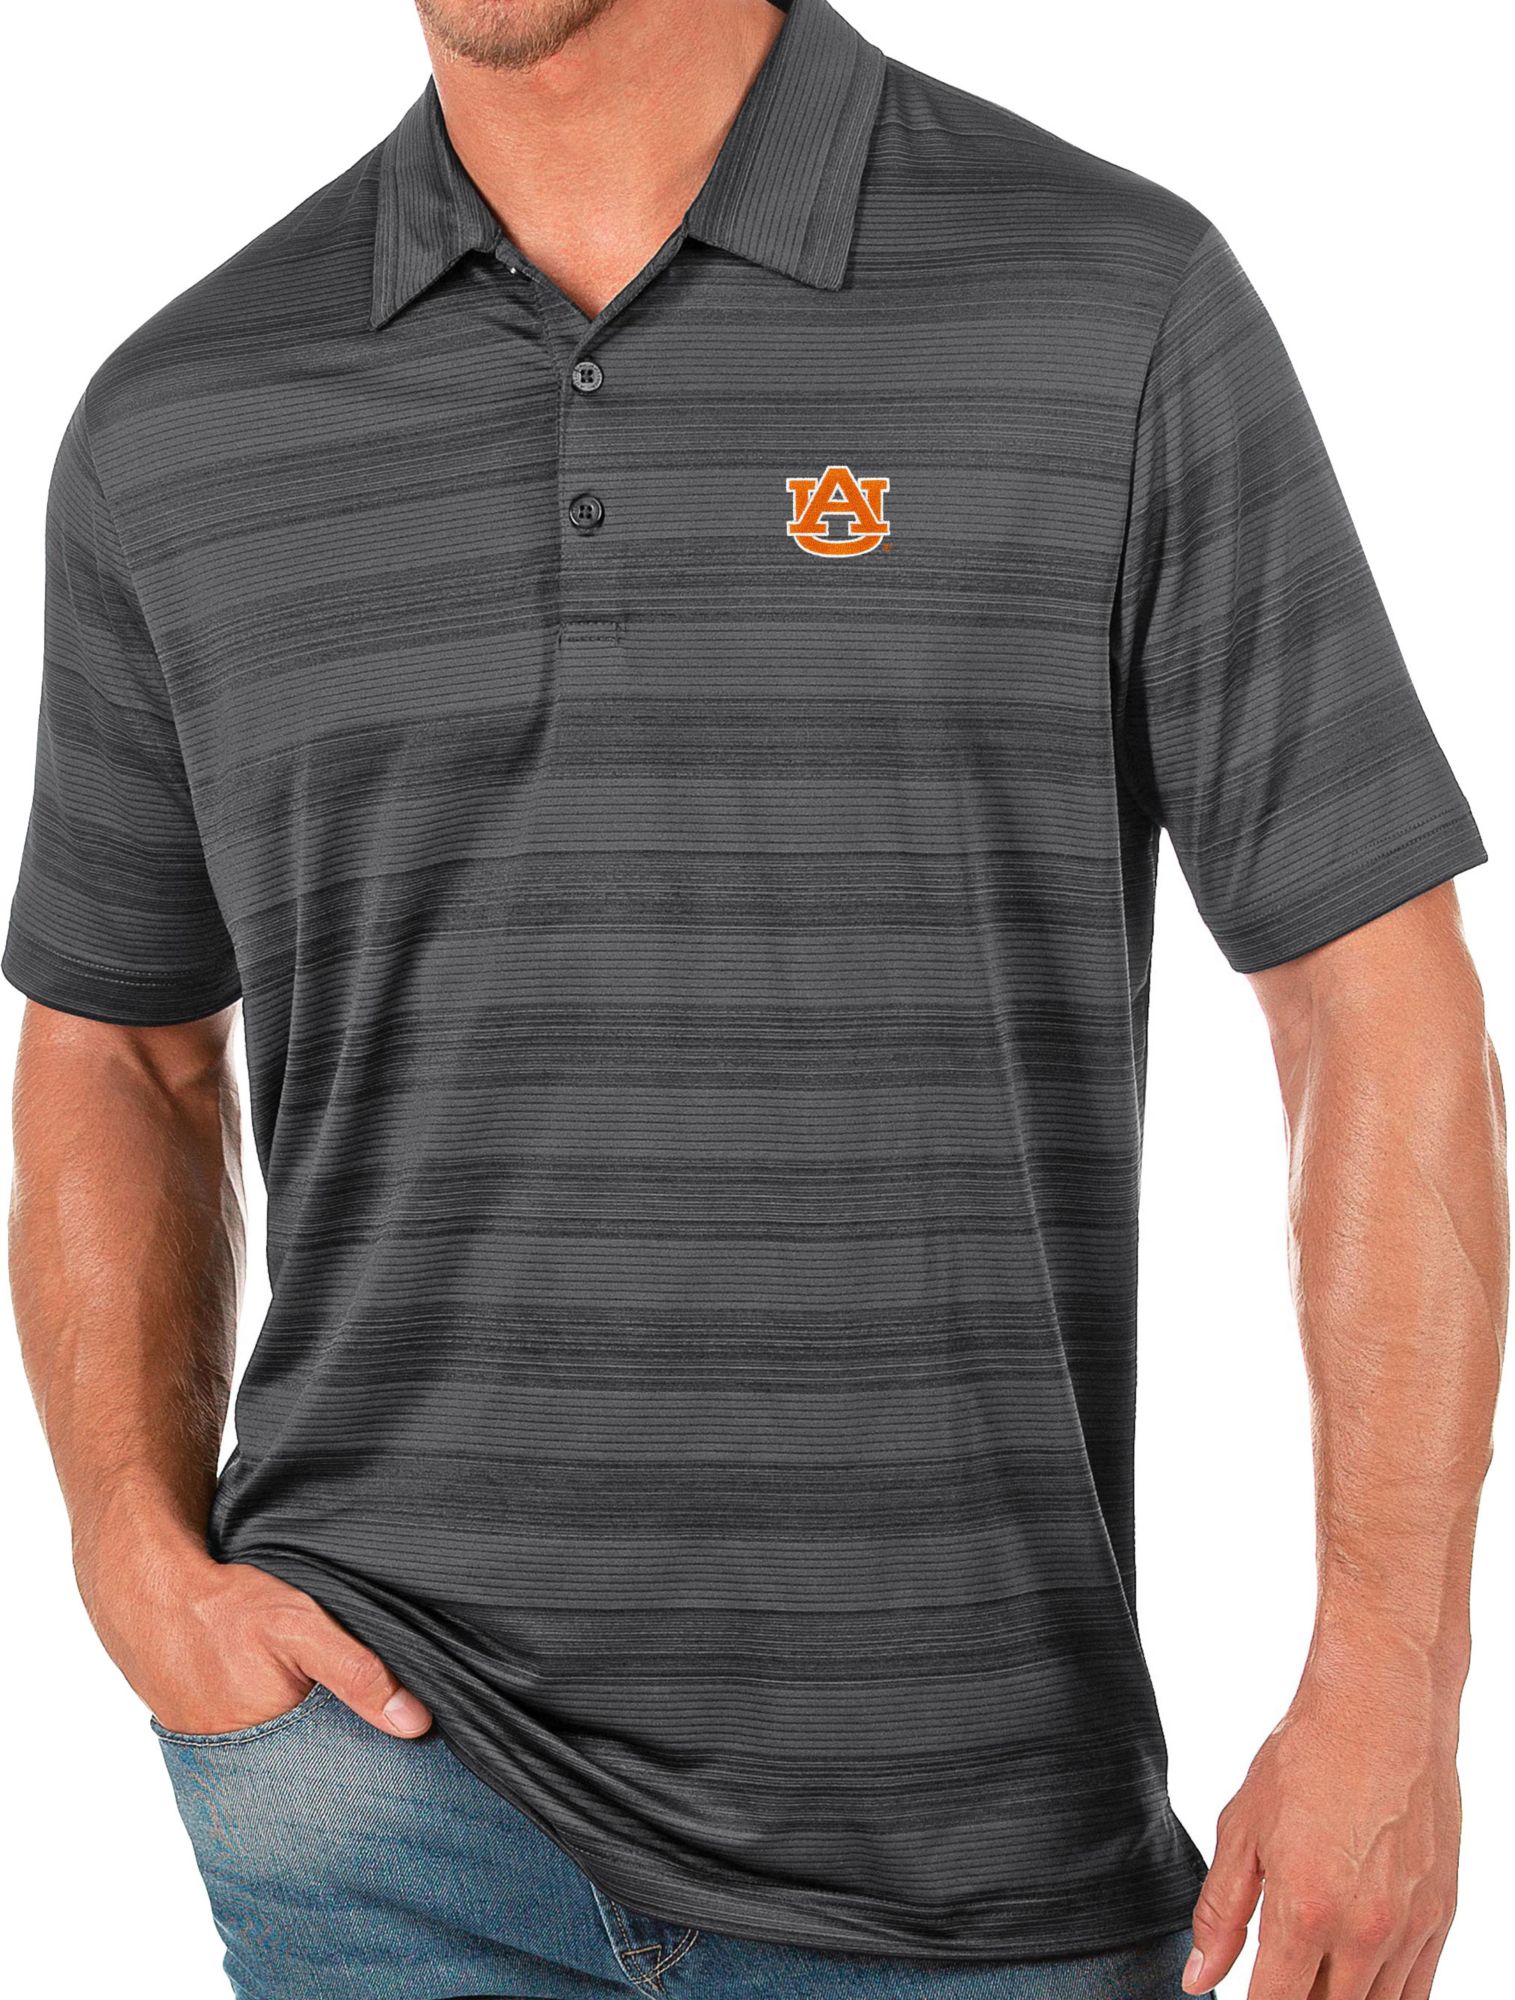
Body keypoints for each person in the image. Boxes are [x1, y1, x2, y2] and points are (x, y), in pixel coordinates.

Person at [7, 1, 1505, 1996]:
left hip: (971, 1855)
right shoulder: (181, 417)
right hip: (375, 1793)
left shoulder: (1104, 306)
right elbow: (118, 1042)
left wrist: (1392, 1680)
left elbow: (1368, 996)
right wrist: (129, 1552)